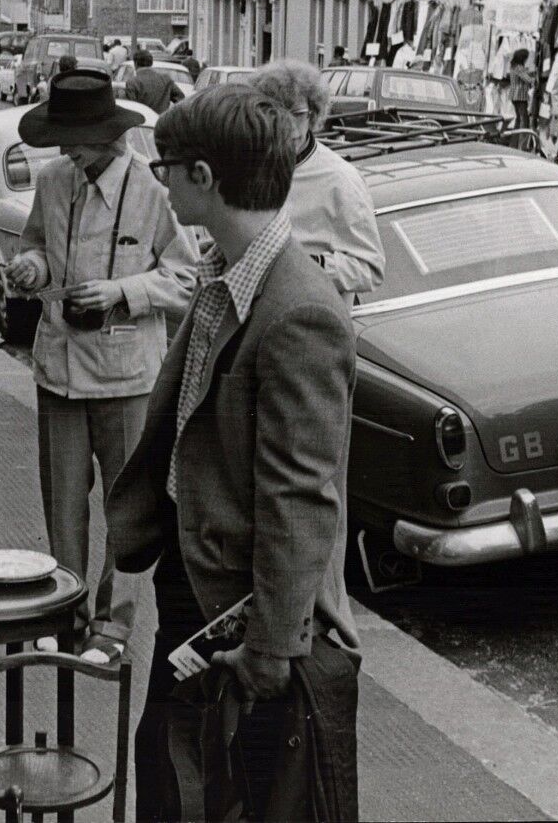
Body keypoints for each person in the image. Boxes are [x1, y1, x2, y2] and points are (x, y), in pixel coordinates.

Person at [109, 88, 360, 822]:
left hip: (243, 615)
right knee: (171, 780)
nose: (160, 183)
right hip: (199, 590)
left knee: (227, 798)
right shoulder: (230, 272)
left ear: (203, 176)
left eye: (164, 170)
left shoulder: (297, 308)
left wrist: (271, 647)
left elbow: (301, 493)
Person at [3, 70, 198, 665]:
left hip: (126, 377)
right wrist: (31, 268)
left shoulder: (155, 193)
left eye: (77, 138)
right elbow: (33, 244)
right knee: (62, 500)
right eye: (62, 138)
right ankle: (66, 610)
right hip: (57, 369)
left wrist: (121, 292)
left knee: (127, 507)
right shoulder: (55, 181)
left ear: (111, 136)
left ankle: (113, 627)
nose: (67, 150)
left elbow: (187, 279)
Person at [250, 61, 385, 297]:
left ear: (313, 114)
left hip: (311, 321)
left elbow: (370, 269)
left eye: (298, 115)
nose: (289, 127)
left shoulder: (340, 179)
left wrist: (310, 263)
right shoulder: (247, 165)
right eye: (277, 115)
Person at [125, 50, 184, 115]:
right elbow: (181, 99)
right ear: (151, 63)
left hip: (145, 122)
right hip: (162, 120)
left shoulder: (132, 82)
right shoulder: (166, 79)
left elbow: (131, 107)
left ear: (135, 63)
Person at [508, 48, 534, 134]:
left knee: (519, 118)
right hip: (520, 96)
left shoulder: (513, 66)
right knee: (523, 119)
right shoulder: (519, 67)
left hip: (514, 95)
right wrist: (535, 79)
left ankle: (514, 143)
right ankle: (521, 144)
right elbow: (528, 80)